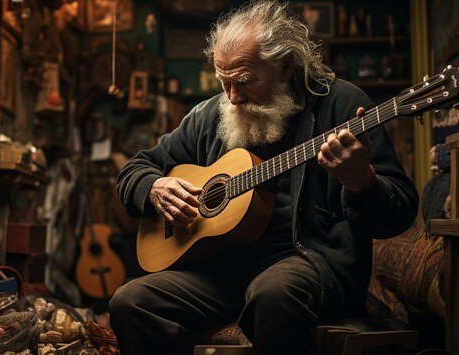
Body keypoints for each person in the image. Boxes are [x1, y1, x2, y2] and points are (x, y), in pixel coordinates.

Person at [109, 1, 419, 354]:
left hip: (308, 265)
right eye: (222, 81)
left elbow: (401, 210)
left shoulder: (342, 106)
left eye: (244, 81)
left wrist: (361, 182)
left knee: (272, 293)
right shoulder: (210, 115)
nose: (232, 97)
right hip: (218, 274)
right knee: (130, 301)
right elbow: (135, 169)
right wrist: (153, 187)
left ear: (285, 66)